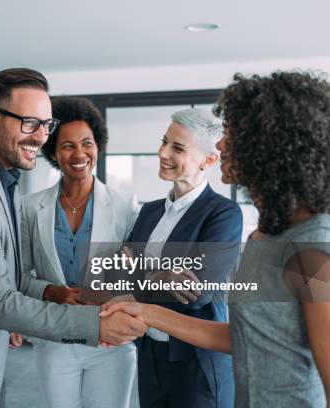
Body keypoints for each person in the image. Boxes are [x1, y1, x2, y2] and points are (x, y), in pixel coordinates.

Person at [0, 68, 147, 408]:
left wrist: (54, 292)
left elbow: (13, 275)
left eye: (45, 125)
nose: (39, 136)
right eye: (29, 123)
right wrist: (94, 324)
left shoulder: (3, 178)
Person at [103, 72, 330, 407]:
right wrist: (148, 311)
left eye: (232, 135)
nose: (221, 145)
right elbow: (242, 337)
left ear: (268, 146)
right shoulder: (263, 235)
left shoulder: (311, 250)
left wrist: (140, 278)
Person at [19, 96, 140, 408]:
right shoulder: (31, 207)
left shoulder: (126, 207)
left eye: (87, 143)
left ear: (97, 146)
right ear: (54, 153)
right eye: (67, 146)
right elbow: (19, 275)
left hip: (109, 338)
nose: (79, 154)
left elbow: (137, 277)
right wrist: (50, 291)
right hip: (55, 337)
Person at [122, 108, 242, 408]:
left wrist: (139, 273)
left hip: (196, 363)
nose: (163, 152)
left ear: (209, 159)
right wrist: (159, 276)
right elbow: (117, 273)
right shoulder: (148, 212)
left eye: (177, 147)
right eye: (164, 141)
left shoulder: (223, 214)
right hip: (149, 353)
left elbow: (196, 292)